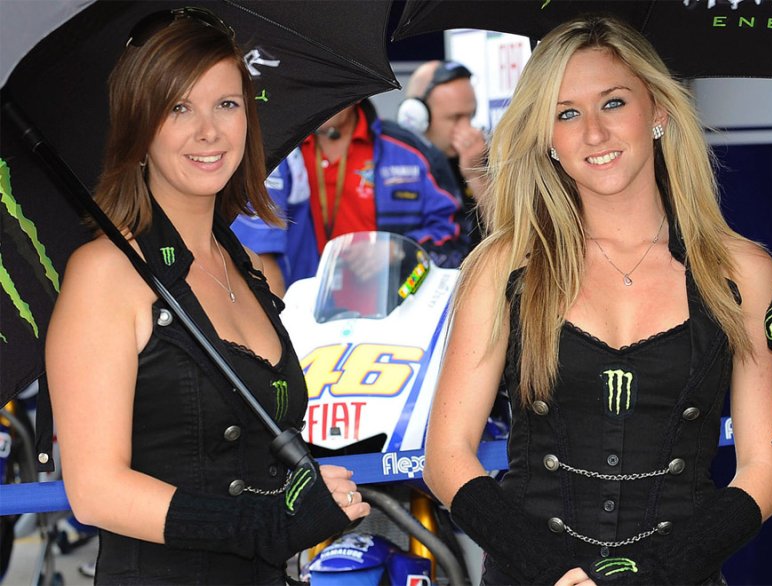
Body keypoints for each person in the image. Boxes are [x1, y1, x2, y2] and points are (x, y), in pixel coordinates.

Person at [422, 15, 772, 586]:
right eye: (566, 113)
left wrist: (656, 573)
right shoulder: (503, 266)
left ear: (658, 111)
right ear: (547, 137)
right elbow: (446, 456)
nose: (593, 133)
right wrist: (552, 571)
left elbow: (764, 470)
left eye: (613, 103)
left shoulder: (742, 271)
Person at [45, 8, 368, 584]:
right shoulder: (104, 274)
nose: (209, 132)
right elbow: (94, 490)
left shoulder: (244, 268)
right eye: (178, 108)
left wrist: (304, 492)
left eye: (226, 104)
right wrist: (265, 524)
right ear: (139, 129)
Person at [232, 99, 466, 293]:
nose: (325, 95)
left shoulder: (410, 151)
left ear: (356, 90)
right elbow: (255, 250)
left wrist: (398, 250)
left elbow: (456, 236)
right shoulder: (277, 153)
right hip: (304, 306)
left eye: (332, 84)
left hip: (387, 306)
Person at [400, 60, 489, 251]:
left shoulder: (481, 157)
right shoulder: (394, 165)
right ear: (417, 116)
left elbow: (509, 232)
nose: (467, 128)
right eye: (455, 118)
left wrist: (476, 175)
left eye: (470, 116)